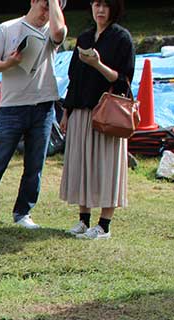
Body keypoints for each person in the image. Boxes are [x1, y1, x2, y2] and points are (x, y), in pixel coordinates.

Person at [0, 0, 67, 234]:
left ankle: (23, 212)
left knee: (35, 165)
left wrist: (53, 4)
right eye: (44, 6)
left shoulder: (52, 30)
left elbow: (60, 32)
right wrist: (9, 62)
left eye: (53, 7)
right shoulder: (7, 28)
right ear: (32, 2)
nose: (46, 13)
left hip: (43, 106)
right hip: (12, 107)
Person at [60, 0, 134, 240]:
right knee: (82, 165)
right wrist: (66, 111)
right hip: (81, 110)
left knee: (106, 167)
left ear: (114, 8)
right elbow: (73, 78)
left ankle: (104, 224)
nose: (100, 10)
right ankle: (83, 220)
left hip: (108, 113)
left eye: (105, 5)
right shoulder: (84, 37)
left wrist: (97, 64)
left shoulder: (122, 38)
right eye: (96, 4)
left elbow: (123, 81)